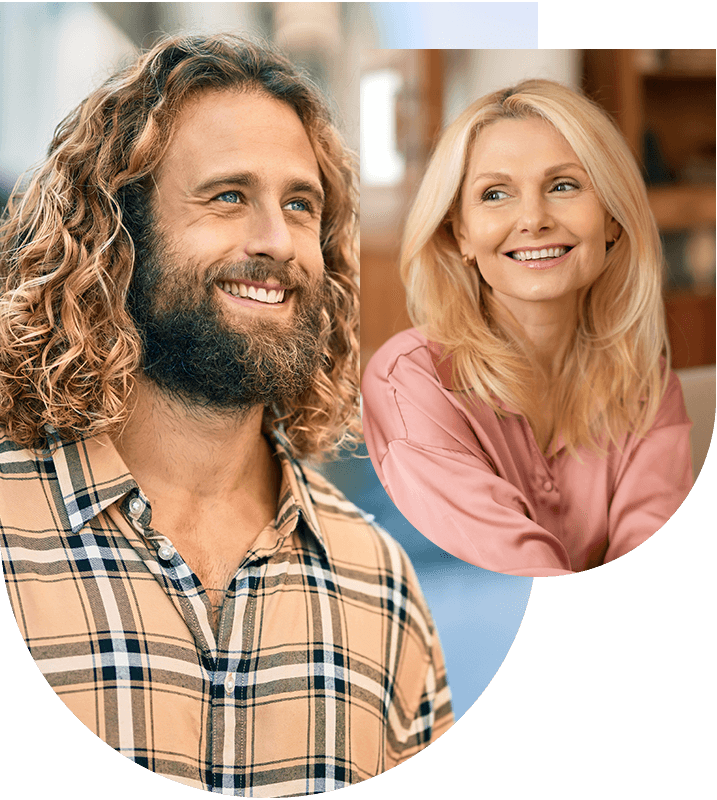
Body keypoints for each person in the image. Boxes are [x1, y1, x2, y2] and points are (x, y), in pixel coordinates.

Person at [0, 33, 452, 793]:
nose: (277, 242)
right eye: (229, 196)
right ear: (119, 237)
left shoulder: (380, 586)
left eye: (300, 205)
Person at [361, 79, 693, 577]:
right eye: (495, 194)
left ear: (612, 219)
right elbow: (517, 582)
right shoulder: (410, 382)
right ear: (461, 233)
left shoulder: (646, 383)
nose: (533, 219)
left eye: (564, 185)